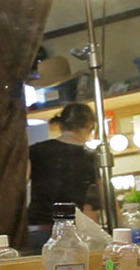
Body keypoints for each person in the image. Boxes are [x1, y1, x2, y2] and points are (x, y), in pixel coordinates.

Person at [28, 103, 97, 241]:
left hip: (37, 229)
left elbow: (17, 186)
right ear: (90, 126)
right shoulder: (91, 157)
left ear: (61, 125)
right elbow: (104, 195)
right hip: (71, 230)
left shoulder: (36, 150)